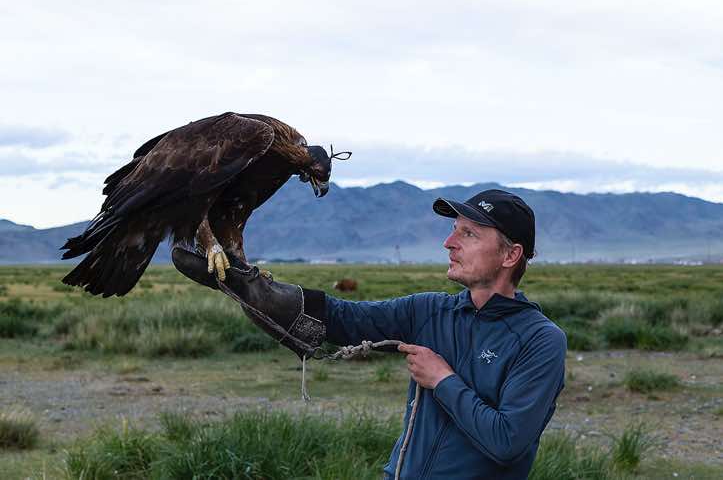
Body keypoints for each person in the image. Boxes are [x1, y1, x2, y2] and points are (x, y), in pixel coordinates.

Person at [172, 189, 567, 480]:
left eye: (469, 234)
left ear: (510, 256)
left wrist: (442, 380)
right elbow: (343, 319)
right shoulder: (429, 310)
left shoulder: (540, 340)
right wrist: (249, 288)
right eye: (453, 230)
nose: (448, 243)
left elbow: (507, 441)